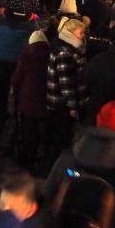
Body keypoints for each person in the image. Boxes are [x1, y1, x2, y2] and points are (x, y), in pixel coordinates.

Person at [0, 5, 40, 131]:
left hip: (1, 59)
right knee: (20, 91)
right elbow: (35, 43)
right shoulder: (32, 23)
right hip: (20, 61)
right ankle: (18, 121)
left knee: (1, 89)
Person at [45, 18, 87, 157]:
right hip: (61, 102)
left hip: (59, 100)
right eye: (80, 33)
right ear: (71, 33)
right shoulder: (64, 52)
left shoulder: (65, 46)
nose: (83, 36)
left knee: (58, 133)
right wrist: (73, 106)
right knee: (61, 136)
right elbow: (66, 82)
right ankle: (57, 162)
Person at [10, 30, 49, 166]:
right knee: (43, 129)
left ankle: (29, 157)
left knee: (29, 130)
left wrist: (15, 90)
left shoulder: (26, 55)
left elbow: (17, 77)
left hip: (28, 98)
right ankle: (43, 154)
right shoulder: (51, 54)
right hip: (46, 98)